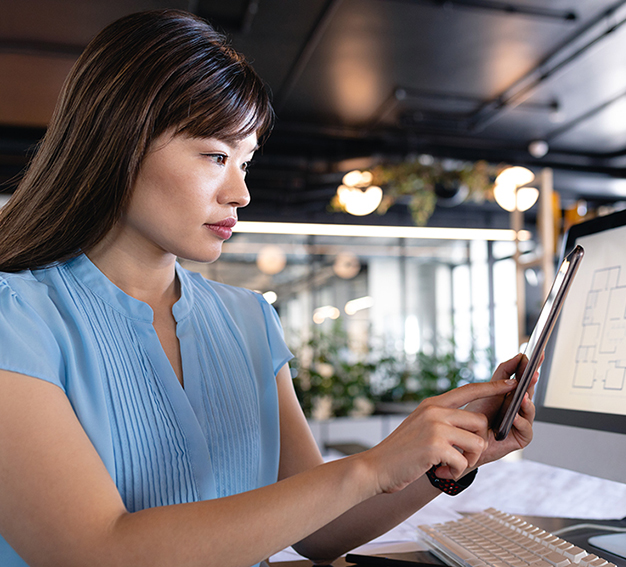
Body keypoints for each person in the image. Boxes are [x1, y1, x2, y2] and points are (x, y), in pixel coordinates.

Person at [0, 9, 536, 567]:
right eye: (216, 155)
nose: (241, 193)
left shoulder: (249, 317)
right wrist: (370, 465)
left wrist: (448, 455)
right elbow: (95, 552)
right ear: (118, 143)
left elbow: (319, 531)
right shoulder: (15, 317)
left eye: (247, 161)